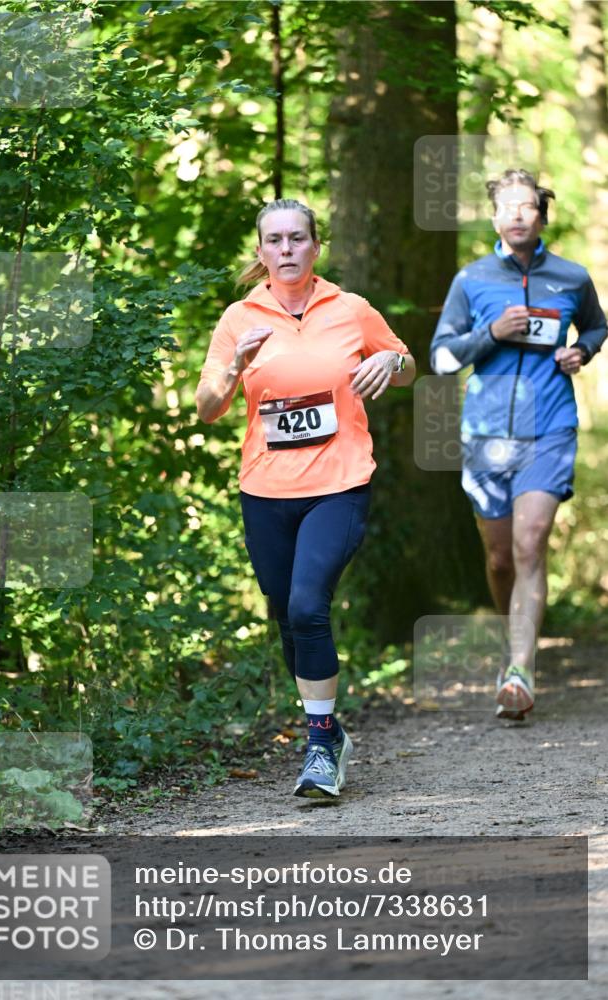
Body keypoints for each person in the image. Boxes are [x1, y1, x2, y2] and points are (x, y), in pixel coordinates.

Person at [196, 199, 415, 797]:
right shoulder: (239, 318)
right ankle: (331, 731)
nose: (287, 248)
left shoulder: (351, 309)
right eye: (276, 240)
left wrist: (393, 359)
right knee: (287, 613)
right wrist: (235, 367)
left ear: (317, 246)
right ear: (261, 253)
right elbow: (207, 406)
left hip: (339, 483)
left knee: (307, 605)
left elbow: (406, 365)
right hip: (264, 490)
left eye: (298, 238)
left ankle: (319, 746)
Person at [430, 169, 606, 720]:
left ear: (541, 214)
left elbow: (598, 328)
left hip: (550, 428)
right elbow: (439, 358)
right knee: (501, 557)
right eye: (507, 206)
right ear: (494, 217)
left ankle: (521, 667)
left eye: (527, 205)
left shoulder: (572, 278)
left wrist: (583, 352)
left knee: (531, 542)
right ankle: (514, 648)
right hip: (486, 438)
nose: (517, 214)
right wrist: (492, 334)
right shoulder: (472, 280)